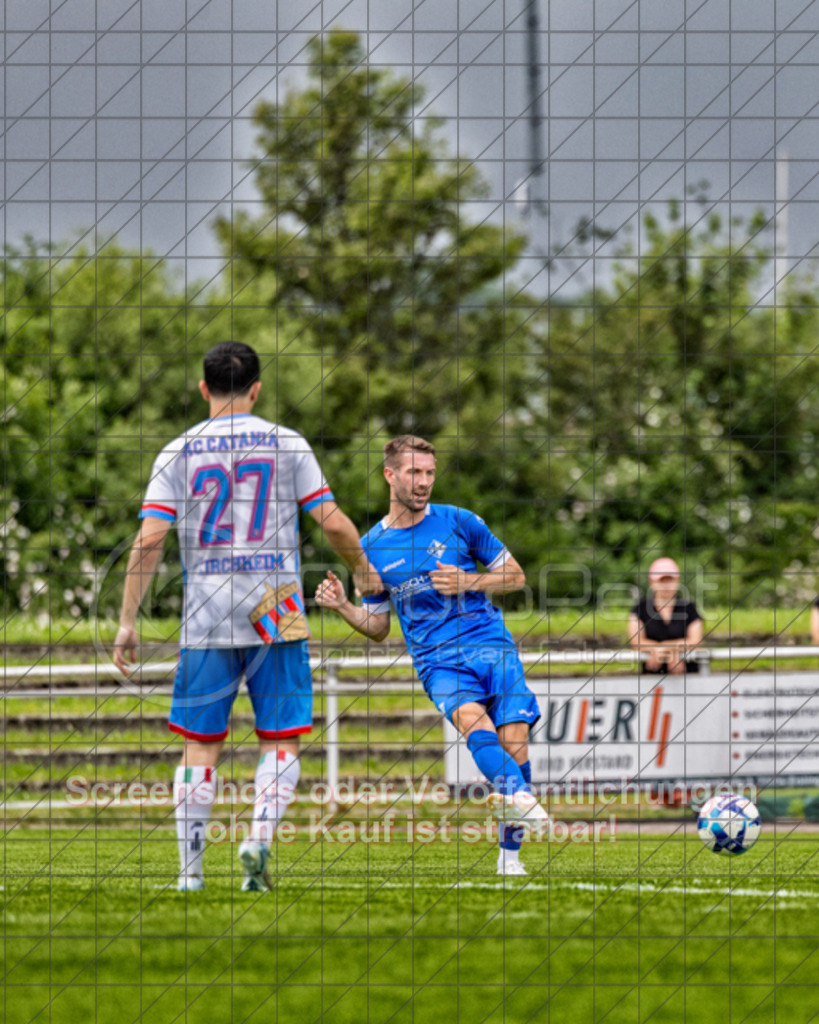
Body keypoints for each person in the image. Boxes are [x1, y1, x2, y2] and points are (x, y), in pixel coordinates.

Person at [113, 341, 381, 893]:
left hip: (206, 615)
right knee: (280, 741)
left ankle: (190, 874)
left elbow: (149, 542)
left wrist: (127, 620)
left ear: (203, 387)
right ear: (257, 387)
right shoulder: (286, 443)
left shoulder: (176, 451)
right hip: (275, 609)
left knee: (198, 746)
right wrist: (361, 570)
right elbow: (331, 522)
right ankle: (258, 837)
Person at [315, 435, 549, 877]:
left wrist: (470, 582)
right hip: (437, 658)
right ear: (390, 475)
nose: (423, 483)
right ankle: (521, 796)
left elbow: (515, 576)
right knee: (471, 722)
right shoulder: (370, 549)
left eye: (429, 473)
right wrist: (344, 606)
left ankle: (509, 857)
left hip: (490, 642)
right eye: (414, 473)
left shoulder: (460, 521)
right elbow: (379, 628)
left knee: (514, 739)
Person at [628, 557, 703, 674]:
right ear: (652, 582)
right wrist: (669, 651)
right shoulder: (641, 608)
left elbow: (695, 641)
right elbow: (636, 642)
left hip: (687, 678)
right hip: (651, 679)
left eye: (670, 580)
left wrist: (664, 648)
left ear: (677, 581)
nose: (667, 585)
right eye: (662, 580)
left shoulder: (689, 608)